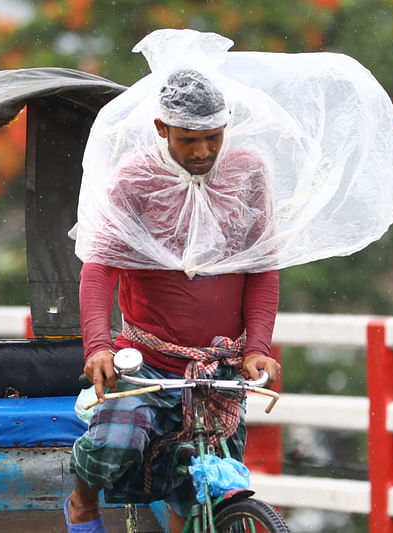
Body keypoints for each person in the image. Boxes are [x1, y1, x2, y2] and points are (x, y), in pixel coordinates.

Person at [66, 69, 281, 533]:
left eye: (213, 137)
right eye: (188, 140)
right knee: (113, 446)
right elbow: (99, 267)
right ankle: (82, 503)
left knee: (204, 487)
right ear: (162, 129)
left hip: (215, 365)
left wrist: (258, 346)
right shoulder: (135, 180)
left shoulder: (249, 173)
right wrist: (98, 346)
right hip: (145, 361)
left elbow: (262, 267)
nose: (203, 151)